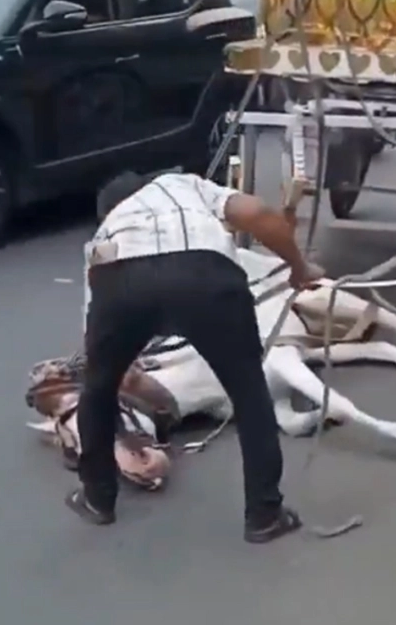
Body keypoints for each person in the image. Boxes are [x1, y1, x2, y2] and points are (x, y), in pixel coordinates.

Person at [69, 170, 324, 544]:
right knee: (248, 390)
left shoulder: (104, 235)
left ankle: (97, 499)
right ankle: (264, 514)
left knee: (97, 389)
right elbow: (258, 215)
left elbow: (94, 334)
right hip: (204, 274)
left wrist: (116, 363)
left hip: (121, 280)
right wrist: (299, 269)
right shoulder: (181, 184)